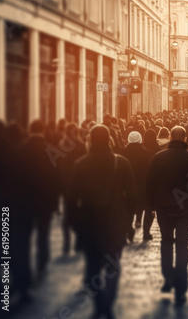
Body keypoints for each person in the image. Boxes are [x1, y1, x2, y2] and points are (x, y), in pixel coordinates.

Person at [68, 125, 136, 318]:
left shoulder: (80, 164)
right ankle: (107, 306)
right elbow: (132, 196)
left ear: (90, 140)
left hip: (89, 224)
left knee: (92, 269)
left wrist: (73, 223)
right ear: (109, 140)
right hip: (115, 223)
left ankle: (100, 306)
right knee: (112, 266)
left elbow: (72, 198)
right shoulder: (121, 163)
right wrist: (129, 222)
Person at [146, 126, 188, 306]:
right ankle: (181, 284)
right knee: (182, 245)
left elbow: (150, 183)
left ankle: (168, 279)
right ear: (185, 137)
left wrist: (152, 205)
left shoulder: (158, 157)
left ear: (170, 137)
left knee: (166, 242)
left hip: (164, 206)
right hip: (184, 208)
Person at [18, 120, 61, 276]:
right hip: (45, 200)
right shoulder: (51, 150)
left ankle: (24, 271)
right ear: (43, 130)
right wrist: (56, 202)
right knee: (43, 232)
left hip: (25, 201)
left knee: (25, 236)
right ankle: (42, 262)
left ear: (30, 130)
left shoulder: (21, 149)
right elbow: (56, 179)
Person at [58, 123, 87, 255]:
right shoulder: (82, 146)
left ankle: (66, 242)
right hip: (80, 184)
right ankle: (79, 241)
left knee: (67, 213)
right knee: (80, 213)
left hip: (66, 186)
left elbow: (59, 167)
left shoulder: (62, 146)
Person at [122, 131, 153, 241]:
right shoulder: (146, 153)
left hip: (127, 186)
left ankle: (128, 230)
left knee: (127, 209)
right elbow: (150, 171)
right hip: (142, 185)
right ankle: (146, 233)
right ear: (140, 139)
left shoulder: (123, 152)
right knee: (148, 209)